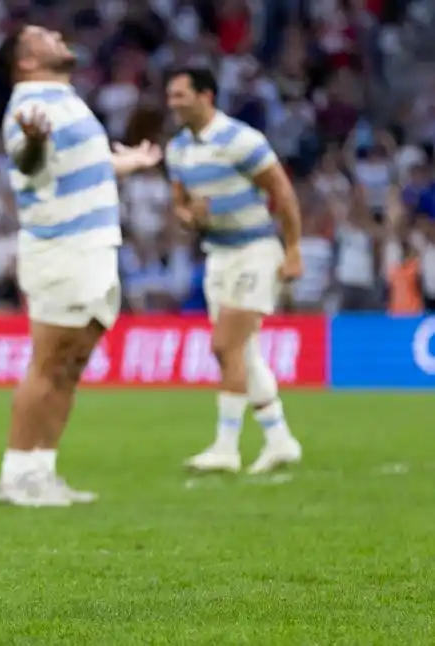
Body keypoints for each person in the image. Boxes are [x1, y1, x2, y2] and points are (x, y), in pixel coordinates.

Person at [0, 24, 163, 507]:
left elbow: (75, 166)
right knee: (48, 363)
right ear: (25, 61)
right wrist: (34, 144)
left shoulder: (65, 98)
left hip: (92, 249)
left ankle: (41, 472)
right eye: (43, 36)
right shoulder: (31, 105)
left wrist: (125, 164)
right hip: (62, 249)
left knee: (71, 365)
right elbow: (29, 162)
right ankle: (15, 475)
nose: (57, 35)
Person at [164, 67, 304, 474]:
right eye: (170, 96)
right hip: (218, 255)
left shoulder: (240, 140)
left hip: (255, 251)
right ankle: (279, 439)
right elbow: (180, 207)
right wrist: (191, 216)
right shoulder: (178, 150)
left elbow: (281, 191)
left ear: (206, 95)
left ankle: (226, 447)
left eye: (180, 95)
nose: (172, 104)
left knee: (225, 345)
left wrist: (292, 249)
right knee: (241, 351)